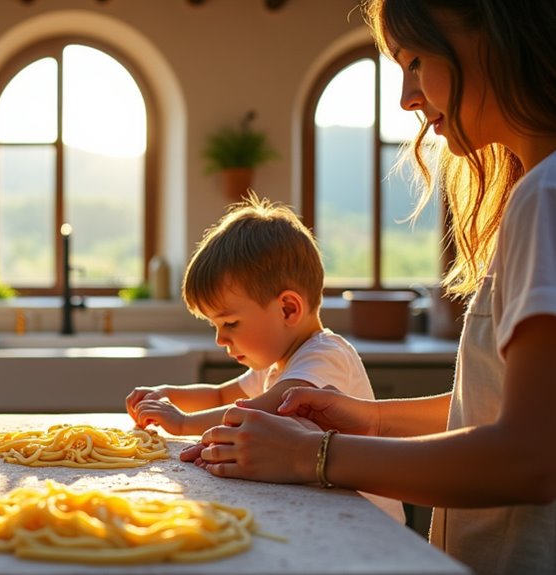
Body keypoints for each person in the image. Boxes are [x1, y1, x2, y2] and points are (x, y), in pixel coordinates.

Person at [181, 1, 556, 573]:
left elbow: (531, 457)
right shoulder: (538, 193)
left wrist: (315, 455)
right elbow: (497, 412)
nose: (407, 97)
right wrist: (372, 419)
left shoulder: (544, 197)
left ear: (494, 32)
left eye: (415, 61)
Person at [125, 194, 405, 524]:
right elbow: (220, 396)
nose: (220, 339)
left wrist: (183, 423)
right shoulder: (276, 363)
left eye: (229, 323)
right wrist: (168, 394)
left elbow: (261, 409)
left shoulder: (325, 356)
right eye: (215, 325)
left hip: (369, 527)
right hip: (327, 515)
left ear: (288, 309)